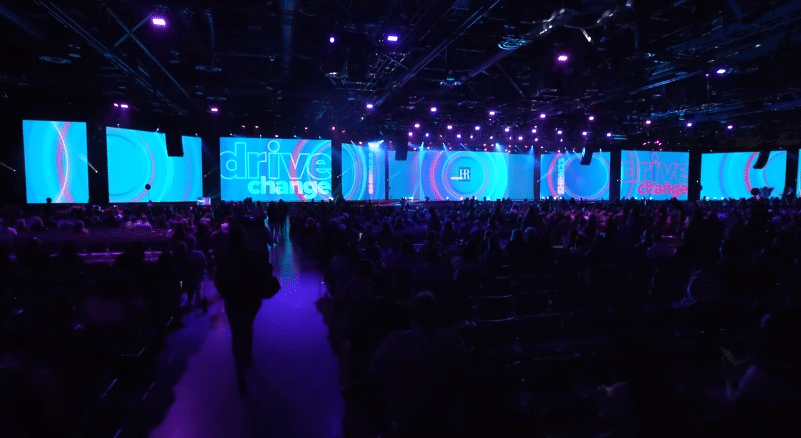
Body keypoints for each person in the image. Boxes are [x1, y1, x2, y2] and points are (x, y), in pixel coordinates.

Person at [371, 292, 468, 436]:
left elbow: (374, 370)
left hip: (406, 422)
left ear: (411, 313)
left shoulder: (394, 341)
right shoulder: (452, 339)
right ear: (436, 313)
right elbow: (465, 373)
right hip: (446, 420)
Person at [215, 225, 280, 393]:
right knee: (247, 327)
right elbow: (267, 270)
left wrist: (227, 294)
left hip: (233, 301)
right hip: (251, 300)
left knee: (237, 334)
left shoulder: (225, 259)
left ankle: (240, 373)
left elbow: (219, 281)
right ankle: (248, 357)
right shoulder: (253, 257)